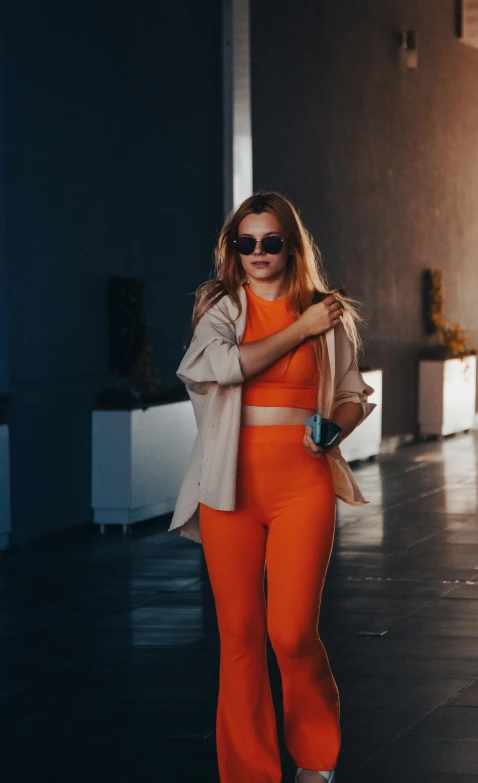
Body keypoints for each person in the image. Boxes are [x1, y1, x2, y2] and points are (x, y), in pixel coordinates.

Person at [169, 192, 377, 783]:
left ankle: (316, 758)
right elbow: (226, 367)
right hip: (228, 488)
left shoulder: (323, 312)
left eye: (271, 241)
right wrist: (299, 329)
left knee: (291, 632)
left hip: (301, 484)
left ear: (291, 245)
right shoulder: (220, 311)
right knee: (238, 637)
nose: (258, 253)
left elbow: (351, 393)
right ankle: (249, 773)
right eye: (246, 242)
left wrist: (334, 426)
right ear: (235, 248)